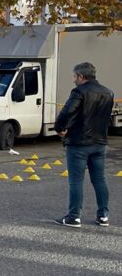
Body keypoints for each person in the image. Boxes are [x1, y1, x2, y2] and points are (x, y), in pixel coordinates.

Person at [54, 62, 114, 228]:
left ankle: (74, 217)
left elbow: (67, 111)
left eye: (74, 76)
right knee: (100, 179)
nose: (73, 80)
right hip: (99, 142)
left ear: (81, 77)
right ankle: (103, 215)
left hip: (78, 143)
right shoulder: (108, 93)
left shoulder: (79, 92)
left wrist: (60, 128)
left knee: (76, 181)